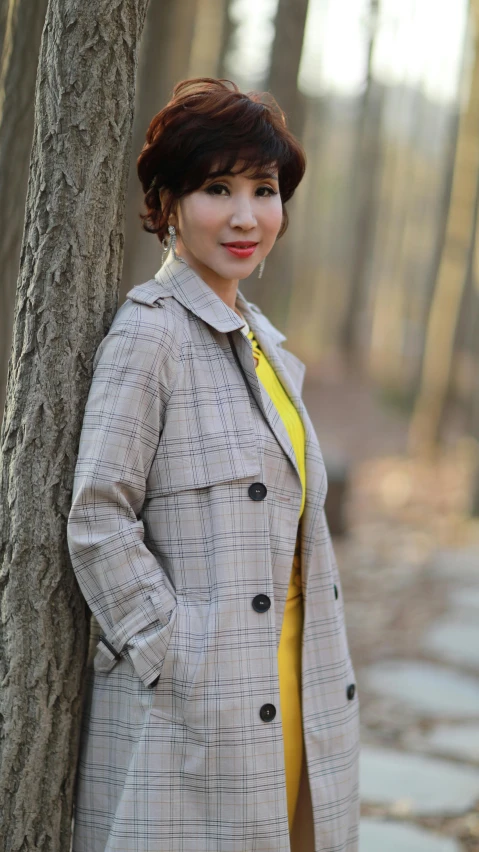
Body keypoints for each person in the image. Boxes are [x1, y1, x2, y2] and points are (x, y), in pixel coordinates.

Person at [67, 77, 359, 852]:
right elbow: (98, 517)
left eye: (262, 190)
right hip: (198, 713)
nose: (244, 215)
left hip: (297, 691)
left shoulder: (264, 342)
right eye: (215, 188)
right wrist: (178, 657)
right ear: (165, 205)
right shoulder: (150, 335)